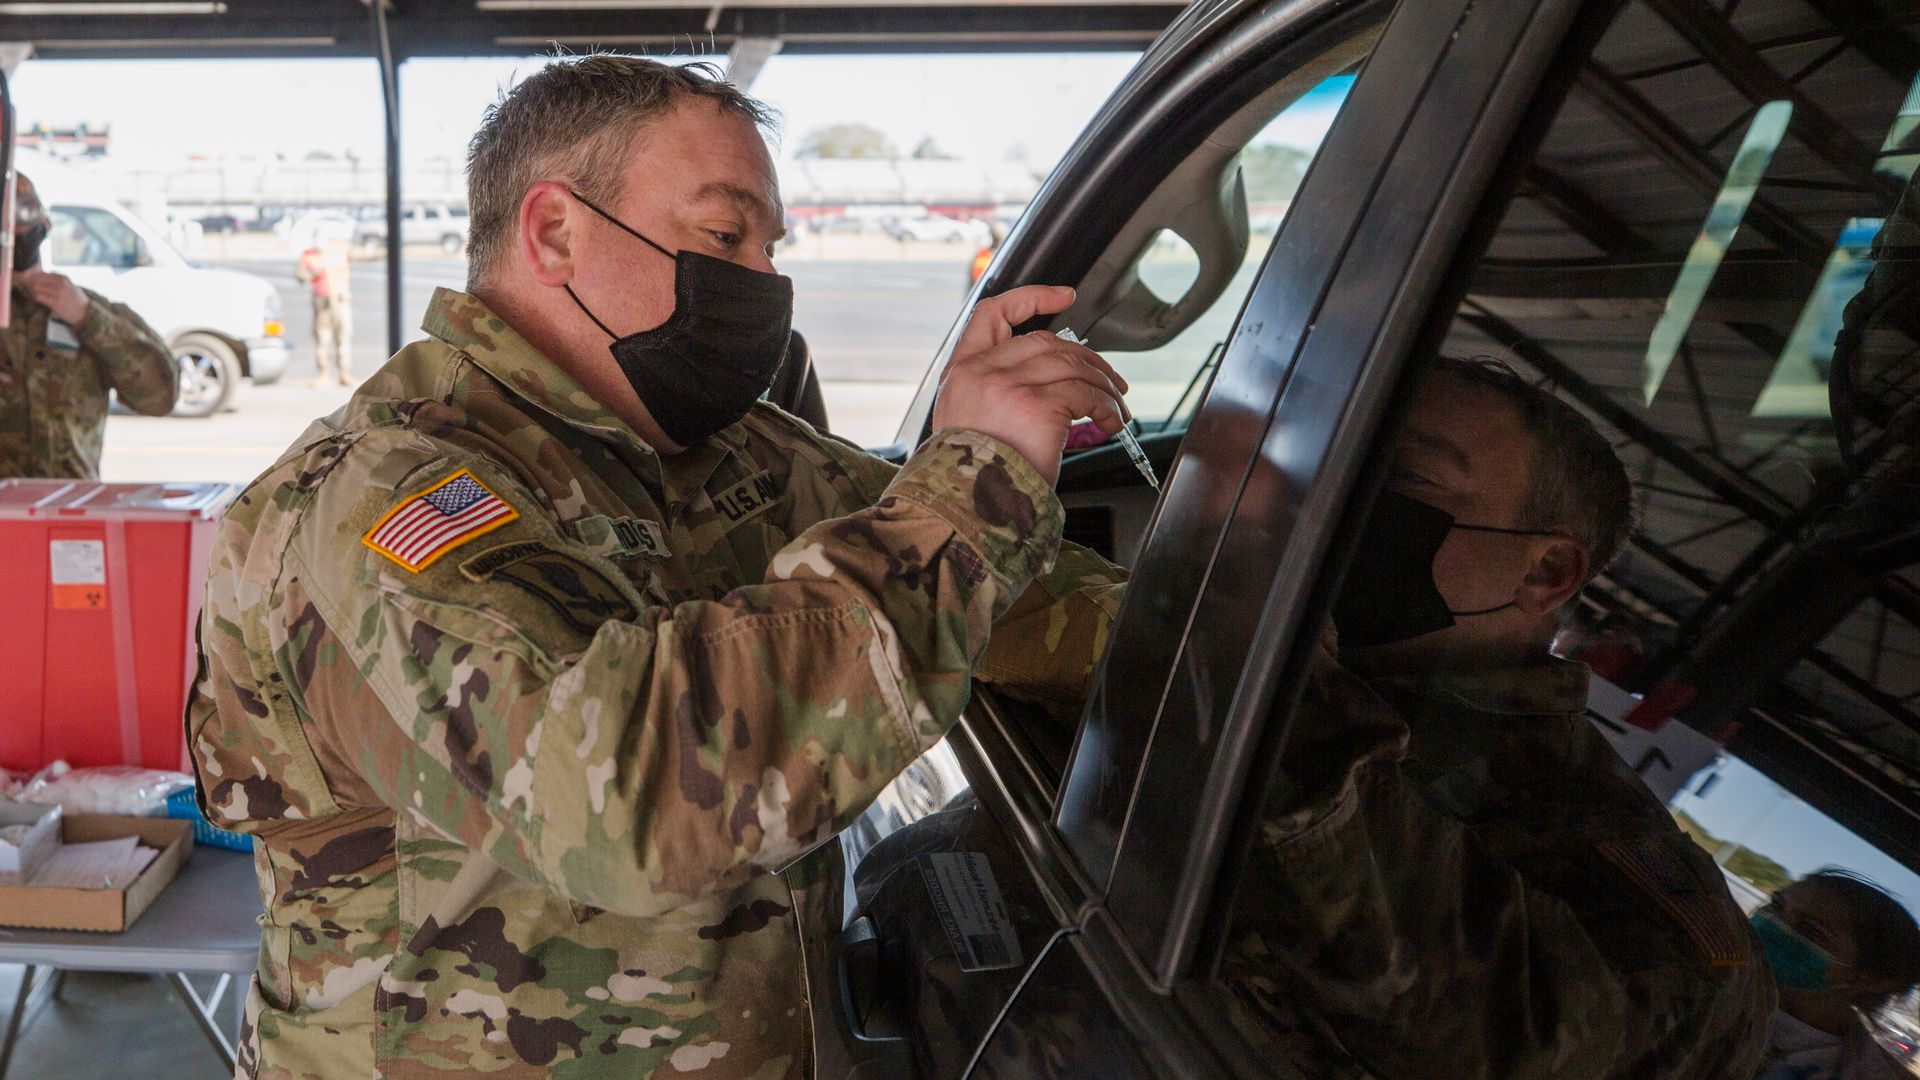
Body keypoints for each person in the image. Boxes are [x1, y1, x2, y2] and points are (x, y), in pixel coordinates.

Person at [187, 56, 1125, 1078]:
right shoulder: (382, 498)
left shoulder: (728, 453)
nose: (764, 282)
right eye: (725, 237)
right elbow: (623, 801)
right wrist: (972, 480)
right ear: (554, 232)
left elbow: (1019, 599)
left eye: (771, 246)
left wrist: (1251, 643)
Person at [1221, 357, 1776, 1077]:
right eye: (1328, 443)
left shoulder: (1609, 859)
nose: (1328, 482)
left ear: (1544, 573)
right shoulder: (1269, 616)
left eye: (1404, 475)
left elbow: (1516, 1043)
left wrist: (1228, 654)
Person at [0, 173, 175, 479]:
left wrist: (87, 317)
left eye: (24, 211)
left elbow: (161, 396)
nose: (16, 228)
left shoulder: (88, 312)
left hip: (72, 516)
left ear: (46, 223)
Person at [1751, 870, 1920, 1080]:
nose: (1775, 924)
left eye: (1810, 929)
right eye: (1776, 905)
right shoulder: (1713, 982)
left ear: (1873, 979)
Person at [294, 238, 353, 386]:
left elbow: (361, 255)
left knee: (343, 337)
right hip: (322, 300)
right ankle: (323, 373)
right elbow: (300, 275)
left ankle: (344, 373)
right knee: (322, 337)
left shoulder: (340, 249)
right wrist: (314, 272)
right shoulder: (310, 255)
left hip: (340, 298)